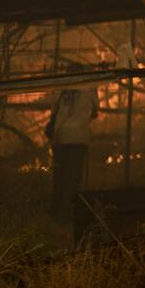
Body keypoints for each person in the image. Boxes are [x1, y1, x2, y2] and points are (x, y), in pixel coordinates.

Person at [48, 83, 96, 219]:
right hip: (78, 137)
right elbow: (95, 110)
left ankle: (57, 211)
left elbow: (53, 111)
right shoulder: (90, 87)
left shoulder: (59, 86)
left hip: (61, 136)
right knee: (73, 176)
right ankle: (67, 211)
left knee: (60, 175)